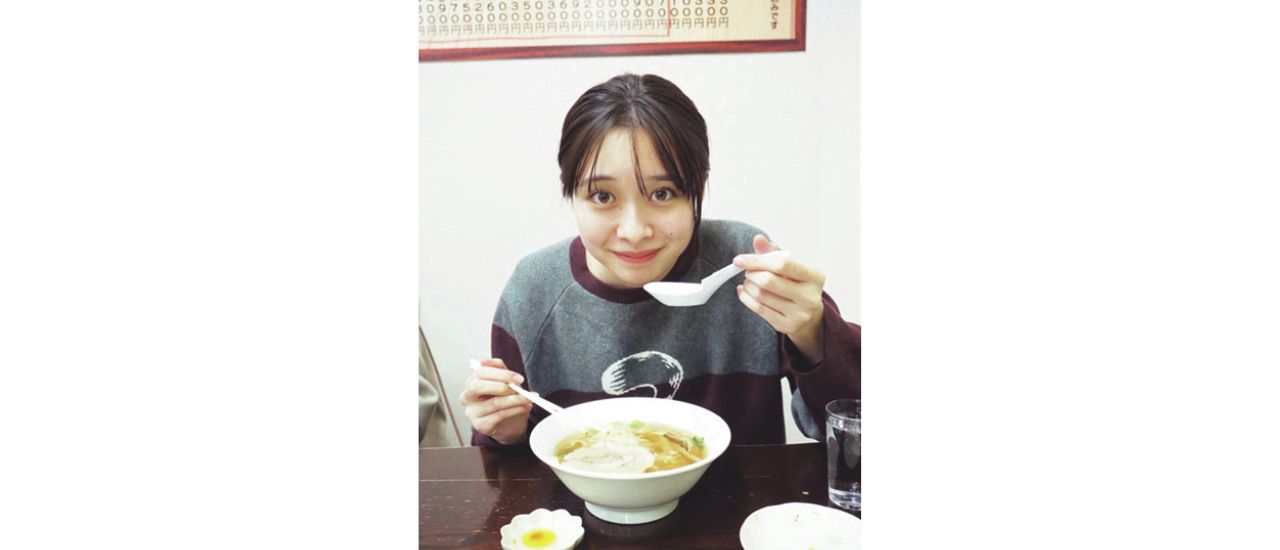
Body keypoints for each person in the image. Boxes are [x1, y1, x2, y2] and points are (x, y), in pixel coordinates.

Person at [459, 73, 860, 449]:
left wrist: (814, 333)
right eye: (602, 196)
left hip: (741, 500)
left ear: (697, 190)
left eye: (663, 193)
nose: (635, 231)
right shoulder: (533, 291)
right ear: (572, 196)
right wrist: (503, 432)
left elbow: (852, 432)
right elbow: (510, 462)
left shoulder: (743, 267)